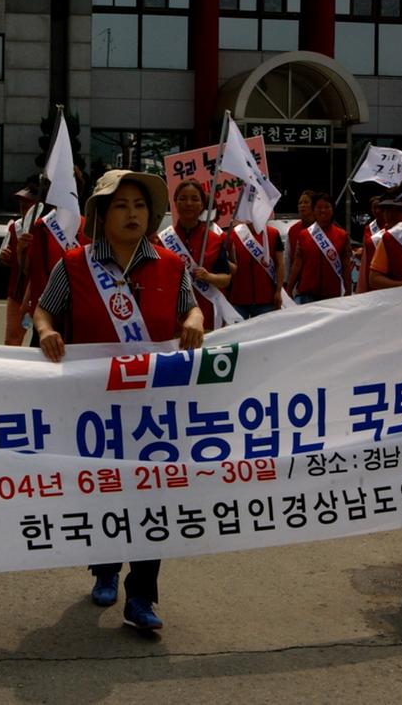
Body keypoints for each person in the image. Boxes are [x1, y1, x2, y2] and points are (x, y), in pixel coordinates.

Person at [34, 169, 203, 632]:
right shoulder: (73, 265)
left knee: (153, 499)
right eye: (121, 205)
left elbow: (190, 306)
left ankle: (141, 598)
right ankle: (105, 565)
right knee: (105, 492)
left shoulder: (171, 265)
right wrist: (47, 331)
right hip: (94, 407)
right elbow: (45, 308)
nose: (132, 213)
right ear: (101, 215)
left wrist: (194, 319)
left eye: (140, 206)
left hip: (154, 407)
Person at [156, 179, 235, 329]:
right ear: (175, 202)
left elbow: (226, 279)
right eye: (183, 198)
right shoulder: (162, 241)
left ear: (202, 205)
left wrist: (208, 277)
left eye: (194, 199)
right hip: (173, 320)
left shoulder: (214, 240)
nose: (189, 203)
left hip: (208, 320)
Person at [19, 167, 91, 329]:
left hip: (81, 310)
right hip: (48, 313)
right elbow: (32, 271)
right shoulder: (42, 227)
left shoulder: (90, 227)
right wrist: (21, 250)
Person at [0, 182, 43, 346]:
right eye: (21, 202)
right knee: (12, 340)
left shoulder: (46, 229)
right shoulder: (15, 228)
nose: (23, 206)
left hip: (41, 294)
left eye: (27, 203)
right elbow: (9, 258)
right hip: (17, 292)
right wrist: (6, 256)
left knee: (40, 341)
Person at [287, 192, 349, 303]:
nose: (323, 210)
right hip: (306, 294)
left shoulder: (342, 235)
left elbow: (346, 266)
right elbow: (297, 264)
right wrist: (289, 288)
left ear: (332, 209)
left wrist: (348, 291)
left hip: (332, 296)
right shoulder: (304, 234)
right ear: (313, 210)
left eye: (327, 207)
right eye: (319, 207)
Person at [227, 215, 284, 318]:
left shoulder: (273, 234)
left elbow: (280, 264)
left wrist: (278, 291)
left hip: (266, 299)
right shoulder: (233, 235)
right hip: (238, 299)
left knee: (265, 333)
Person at [285, 189, 316, 276]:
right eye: (300, 203)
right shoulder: (293, 230)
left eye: (306, 202)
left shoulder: (323, 228)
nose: (302, 205)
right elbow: (287, 257)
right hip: (297, 281)